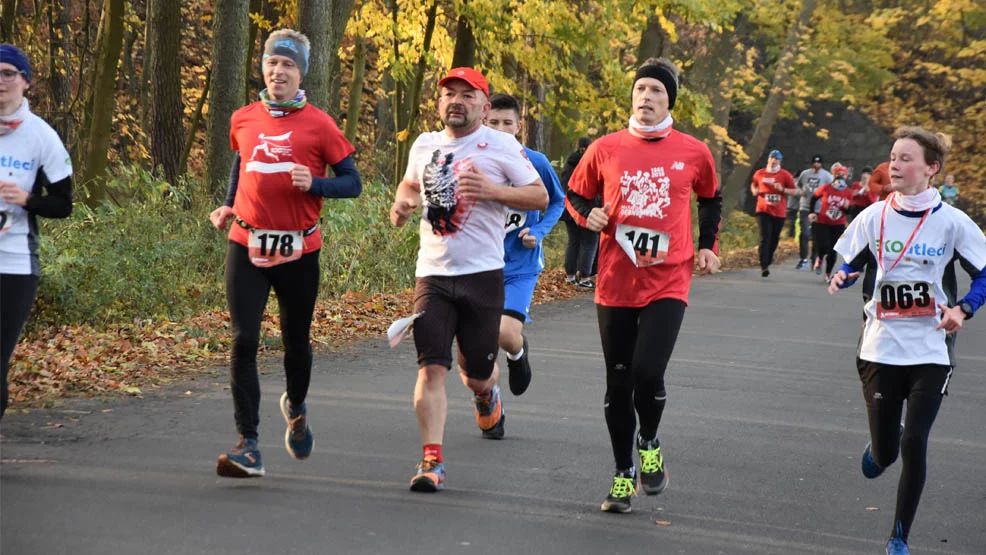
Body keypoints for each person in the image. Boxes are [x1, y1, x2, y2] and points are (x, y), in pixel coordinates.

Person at [565, 57, 721, 513]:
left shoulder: (694, 151)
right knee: (617, 384)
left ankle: (649, 441)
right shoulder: (605, 148)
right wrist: (585, 214)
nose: (646, 97)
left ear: (669, 99)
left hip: (669, 278)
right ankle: (622, 473)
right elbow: (575, 194)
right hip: (615, 280)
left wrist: (708, 245)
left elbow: (711, 199)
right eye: (640, 90)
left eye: (656, 90)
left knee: (647, 373)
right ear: (631, 97)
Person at [208, 29, 362, 477]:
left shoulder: (320, 124)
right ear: (263, 68)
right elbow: (242, 162)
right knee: (244, 340)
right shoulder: (242, 117)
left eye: (288, 65)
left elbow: (352, 183)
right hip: (247, 241)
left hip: (299, 248)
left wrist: (315, 184)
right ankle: (248, 444)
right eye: (272, 63)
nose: (278, 71)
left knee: (295, 342)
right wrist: (229, 204)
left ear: (301, 74)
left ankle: (296, 407)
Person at [828, 127, 986, 555]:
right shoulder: (874, 216)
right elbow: (850, 260)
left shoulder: (953, 223)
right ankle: (880, 450)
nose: (894, 165)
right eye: (892, 157)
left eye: (905, 158)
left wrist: (964, 308)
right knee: (887, 454)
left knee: (915, 441)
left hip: (932, 346)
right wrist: (842, 275)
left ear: (931, 169)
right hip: (880, 345)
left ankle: (899, 536)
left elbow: (984, 273)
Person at [390, 67, 548, 492]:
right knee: (431, 370)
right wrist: (402, 205)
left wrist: (493, 192)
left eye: (467, 94)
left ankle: (485, 394)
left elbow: (540, 196)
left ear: (483, 103)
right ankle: (431, 461)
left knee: (476, 373)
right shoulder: (424, 145)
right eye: (449, 94)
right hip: (434, 275)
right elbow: (408, 187)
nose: (456, 100)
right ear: (438, 103)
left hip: (483, 275)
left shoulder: (501, 145)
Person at [0, 44, 73, 419]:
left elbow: (64, 204)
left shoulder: (41, 136)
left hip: (15, 264)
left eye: (8, 74)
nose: (1, 82)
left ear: (25, 82)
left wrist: (27, 199)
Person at [484, 93, 565, 398]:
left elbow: (558, 201)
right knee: (479, 347)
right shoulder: (474, 161)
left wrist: (539, 230)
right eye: (494, 123)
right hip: (481, 264)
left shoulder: (535, 162)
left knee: (505, 333)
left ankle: (518, 354)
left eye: (508, 123)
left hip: (521, 265)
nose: (501, 129)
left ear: (519, 126)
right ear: (483, 122)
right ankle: (490, 406)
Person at [749, 149, 796, 278]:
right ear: (768, 159)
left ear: (780, 161)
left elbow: (794, 191)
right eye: (772, 158)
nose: (774, 160)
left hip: (779, 212)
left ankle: (768, 260)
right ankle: (764, 265)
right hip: (763, 209)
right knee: (765, 237)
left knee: (774, 238)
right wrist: (754, 191)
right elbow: (753, 184)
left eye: (777, 159)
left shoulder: (785, 175)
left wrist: (782, 189)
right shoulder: (760, 173)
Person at [560, 137, 598, 287]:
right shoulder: (587, 164)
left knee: (574, 241)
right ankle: (584, 278)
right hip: (584, 208)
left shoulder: (568, 164)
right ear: (584, 149)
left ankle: (570, 275)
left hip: (568, 208)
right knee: (590, 242)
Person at [811, 163, 853, 281]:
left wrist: (845, 208)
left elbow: (849, 211)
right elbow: (814, 198)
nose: (840, 177)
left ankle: (828, 274)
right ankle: (819, 258)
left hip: (838, 223)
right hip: (823, 221)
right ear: (834, 176)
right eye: (838, 174)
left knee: (833, 250)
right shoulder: (826, 187)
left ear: (846, 177)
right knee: (823, 245)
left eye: (843, 175)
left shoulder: (848, 192)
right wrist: (812, 212)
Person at [794, 155, 832, 270]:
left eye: (818, 163)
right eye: (814, 163)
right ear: (812, 164)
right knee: (804, 233)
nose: (816, 165)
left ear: (821, 164)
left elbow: (831, 190)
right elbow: (798, 186)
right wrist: (801, 191)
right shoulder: (805, 174)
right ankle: (803, 258)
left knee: (816, 236)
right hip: (805, 207)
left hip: (819, 209)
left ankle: (814, 259)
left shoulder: (827, 176)